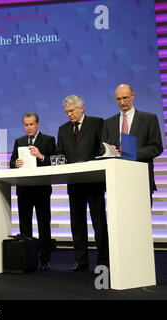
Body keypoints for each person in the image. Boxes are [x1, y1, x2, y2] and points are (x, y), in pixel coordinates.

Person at [57, 95, 109, 271]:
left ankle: (104, 261)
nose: (69, 115)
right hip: (74, 182)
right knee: (77, 224)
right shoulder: (63, 129)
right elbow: (60, 153)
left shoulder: (97, 123)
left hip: (94, 181)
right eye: (67, 112)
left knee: (99, 222)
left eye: (72, 111)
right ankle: (81, 261)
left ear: (82, 108)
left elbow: (103, 148)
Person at [101, 84, 163, 206]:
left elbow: (156, 147)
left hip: (141, 178)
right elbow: (102, 148)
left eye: (125, 98)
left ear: (133, 96)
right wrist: (110, 150)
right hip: (117, 179)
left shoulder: (149, 119)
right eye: (118, 99)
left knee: (141, 221)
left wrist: (130, 154)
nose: (122, 102)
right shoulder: (108, 122)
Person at [9, 112, 56, 271]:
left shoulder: (49, 140)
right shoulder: (19, 141)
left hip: (42, 189)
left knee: (44, 225)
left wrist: (41, 156)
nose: (28, 127)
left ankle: (45, 260)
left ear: (37, 124)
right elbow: (11, 163)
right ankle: (28, 259)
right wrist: (16, 163)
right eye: (26, 125)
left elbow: (55, 161)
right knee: (25, 226)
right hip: (24, 189)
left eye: (31, 124)